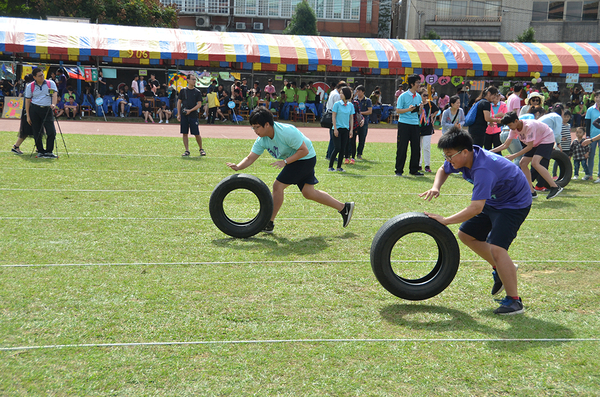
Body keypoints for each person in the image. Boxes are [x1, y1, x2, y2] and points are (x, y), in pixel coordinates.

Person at [419, 127, 532, 315]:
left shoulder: (483, 169)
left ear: (464, 152)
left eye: (450, 155)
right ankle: (502, 269)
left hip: (514, 204)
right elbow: (442, 169)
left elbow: (475, 208)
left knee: (497, 248)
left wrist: (446, 220)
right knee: (466, 235)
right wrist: (436, 186)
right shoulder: (464, 158)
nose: (448, 160)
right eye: (445, 155)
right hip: (495, 200)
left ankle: (514, 301)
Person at [226, 106, 354, 234]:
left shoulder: (286, 132)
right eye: (253, 127)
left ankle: (269, 222)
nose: (254, 130)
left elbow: (304, 150)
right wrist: (238, 166)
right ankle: (344, 207)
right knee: (308, 193)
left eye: (257, 127)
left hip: (305, 158)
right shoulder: (262, 140)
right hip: (298, 159)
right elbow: (250, 158)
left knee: (277, 186)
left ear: (267, 125)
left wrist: (285, 162)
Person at [492, 112, 564, 199]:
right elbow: (505, 145)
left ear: (516, 121)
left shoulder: (529, 126)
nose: (510, 127)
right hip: (535, 142)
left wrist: (513, 156)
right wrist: (488, 151)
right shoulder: (513, 129)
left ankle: (555, 187)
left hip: (546, 139)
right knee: (523, 163)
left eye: (510, 125)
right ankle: (531, 191)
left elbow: (529, 147)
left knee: (535, 163)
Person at [24, 67, 59, 158]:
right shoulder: (30, 86)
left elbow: (54, 94)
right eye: (39, 76)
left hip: (47, 109)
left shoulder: (50, 83)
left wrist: (54, 104)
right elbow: (27, 101)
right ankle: (40, 151)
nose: (42, 77)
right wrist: (28, 115)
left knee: (51, 131)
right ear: (34, 77)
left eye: (42, 75)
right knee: (37, 131)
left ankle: (49, 151)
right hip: (34, 109)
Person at [395, 74, 423, 176]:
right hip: (404, 124)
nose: (419, 85)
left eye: (420, 82)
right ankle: (399, 170)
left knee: (416, 148)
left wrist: (420, 109)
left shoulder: (419, 96)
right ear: (412, 84)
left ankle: (414, 170)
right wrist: (408, 109)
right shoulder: (403, 96)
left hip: (415, 124)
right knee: (402, 147)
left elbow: (419, 113)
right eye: (418, 83)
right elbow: (398, 110)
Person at [177, 74, 205, 157]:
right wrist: (179, 114)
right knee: (184, 133)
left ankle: (201, 149)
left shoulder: (197, 92)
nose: (194, 81)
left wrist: (190, 110)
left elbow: (199, 104)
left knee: (196, 133)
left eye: (195, 79)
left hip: (193, 115)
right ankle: (187, 150)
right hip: (184, 115)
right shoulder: (183, 91)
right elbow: (179, 102)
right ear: (188, 80)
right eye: (193, 79)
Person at [329, 86, 355, 172]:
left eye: (342, 93)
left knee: (343, 149)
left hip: (346, 129)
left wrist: (351, 130)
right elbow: (333, 116)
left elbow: (351, 118)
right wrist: (335, 129)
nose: (340, 95)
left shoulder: (350, 105)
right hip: (337, 129)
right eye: (340, 93)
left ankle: (339, 167)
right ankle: (330, 166)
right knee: (337, 148)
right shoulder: (337, 104)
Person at [11, 74, 35, 155]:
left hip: (28, 110)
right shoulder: (30, 87)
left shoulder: (26, 86)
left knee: (37, 130)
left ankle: (39, 148)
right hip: (28, 111)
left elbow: (20, 95)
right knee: (26, 131)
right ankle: (16, 146)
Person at [418, 90, 439, 173]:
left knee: (426, 147)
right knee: (418, 147)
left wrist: (432, 116)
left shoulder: (430, 103)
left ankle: (427, 165)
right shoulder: (418, 103)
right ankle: (419, 165)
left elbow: (437, 110)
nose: (426, 97)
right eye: (424, 95)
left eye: (427, 95)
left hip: (428, 128)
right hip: (418, 127)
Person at [583, 90, 600, 182]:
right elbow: (588, 123)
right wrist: (588, 136)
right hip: (593, 136)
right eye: (597, 97)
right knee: (591, 155)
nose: (599, 99)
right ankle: (589, 174)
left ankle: (599, 176)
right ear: (594, 98)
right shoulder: (590, 109)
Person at [353, 85, 373, 160]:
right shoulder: (355, 100)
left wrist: (360, 113)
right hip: (355, 122)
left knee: (362, 139)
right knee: (353, 139)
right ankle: (352, 153)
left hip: (364, 122)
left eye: (359, 91)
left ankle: (359, 153)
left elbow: (370, 111)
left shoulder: (367, 100)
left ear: (363, 92)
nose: (358, 93)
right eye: (357, 91)